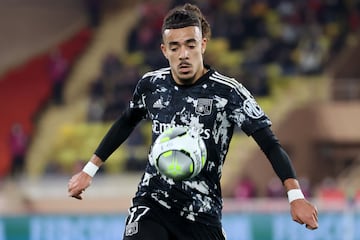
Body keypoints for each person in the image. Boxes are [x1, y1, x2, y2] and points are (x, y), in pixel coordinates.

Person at [68, 3, 318, 239]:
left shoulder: (228, 92)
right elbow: (126, 121)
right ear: (164, 50)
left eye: (190, 44)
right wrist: (89, 170)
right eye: (175, 47)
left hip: (201, 214)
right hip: (152, 203)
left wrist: (295, 196)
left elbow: (270, 144)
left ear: (203, 45)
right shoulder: (151, 85)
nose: (183, 54)